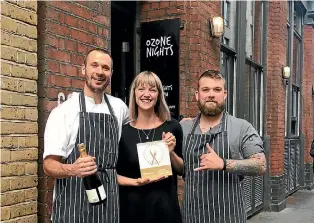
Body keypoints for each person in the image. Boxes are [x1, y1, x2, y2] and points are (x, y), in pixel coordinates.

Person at [43, 48, 129, 223]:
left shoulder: (119, 108)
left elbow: (141, 124)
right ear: (83, 69)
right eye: (94, 65)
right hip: (73, 205)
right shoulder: (64, 112)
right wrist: (73, 169)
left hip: (109, 205)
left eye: (105, 68)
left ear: (111, 73)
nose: (99, 72)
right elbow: (48, 165)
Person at [180, 70, 267, 223]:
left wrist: (224, 164)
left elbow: (261, 165)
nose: (211, 94)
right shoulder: (184, 128)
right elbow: (182, 168)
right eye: (205, 90)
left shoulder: (241, 127)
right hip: (192, 215)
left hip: (229, 215)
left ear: (225, 94)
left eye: (217, 89)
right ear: (197, 95)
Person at [116, 71, 183, 223]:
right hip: (132, 212)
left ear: (159, 95)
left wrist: (171, 154)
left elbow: (182, 169)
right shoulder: (123, 132)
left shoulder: (173, 127)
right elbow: (113, 174)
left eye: (152, 90)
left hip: (166, 211)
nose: (146, 94)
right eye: (141, 89)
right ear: (134, 93)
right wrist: (136, 182)